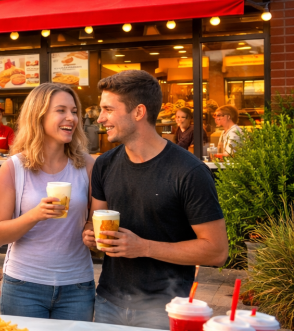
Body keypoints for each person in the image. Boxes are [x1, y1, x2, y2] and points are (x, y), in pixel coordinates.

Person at [81, 70, 227, 329]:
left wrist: (144, 247)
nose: (101, 118)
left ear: (138, 112)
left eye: (108, 109)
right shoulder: (104, 164)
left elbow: (217, 251)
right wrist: (91, 236)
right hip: (107, 301)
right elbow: (94, 223)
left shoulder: (189, 171)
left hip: (164, 308)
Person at [0, 83, 95, 320]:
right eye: (61, 110)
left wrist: (93, 233)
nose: (71, 118)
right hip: (23, 285)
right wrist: (35, 214)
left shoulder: (88, 166)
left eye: (74, 111)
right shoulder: (13, 168)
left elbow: (92, 221)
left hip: (77, 285)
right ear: (39, 116)